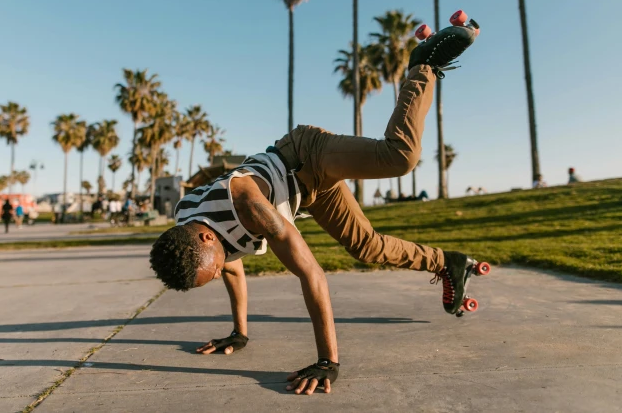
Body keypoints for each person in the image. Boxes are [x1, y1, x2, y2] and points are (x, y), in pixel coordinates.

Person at [149, 21, 481, 395]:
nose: (222, 271)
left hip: (306, 154)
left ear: (207, 235)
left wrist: (328, 360)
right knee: (366, 246)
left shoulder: (247, 202)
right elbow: (233, 273)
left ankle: (423, 64)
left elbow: (311, 273)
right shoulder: (187, 229)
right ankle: (447, 262)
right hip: (309, 194)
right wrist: (239, 334)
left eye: (214, 269)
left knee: (399, 157)